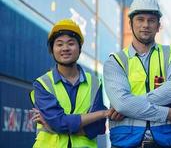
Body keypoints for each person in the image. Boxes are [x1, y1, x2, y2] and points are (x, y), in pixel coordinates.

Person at [104, 0, 171, 147]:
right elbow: (122, 104)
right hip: (126, 143)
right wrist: (168, 113)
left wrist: (129, 104)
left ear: (158, 26)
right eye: (140, 19)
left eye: (151, 20)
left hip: (167, 142)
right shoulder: (115, 61)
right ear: (130, 24)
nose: (145, 25)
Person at [30, 19, 118, 148]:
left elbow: (98, 127)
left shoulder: (94, 82)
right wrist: (102, 113)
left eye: (71, 43)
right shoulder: (43, 84)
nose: (65, 48)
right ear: (52, 50)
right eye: (59, 44)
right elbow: (59, 122)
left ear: (79, 48)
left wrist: (55, 127)